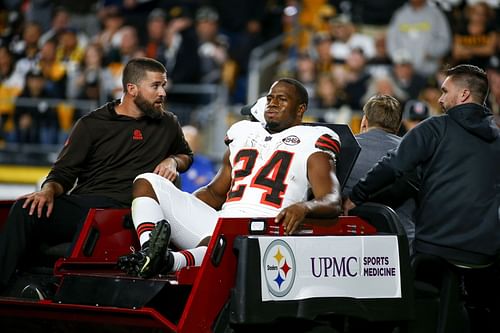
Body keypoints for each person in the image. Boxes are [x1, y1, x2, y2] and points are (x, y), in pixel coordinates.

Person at [0, 57, 193, 294]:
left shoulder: (168, 123)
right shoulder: (92, 124)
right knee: (24, 209)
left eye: (164, 85)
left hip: (128, 210)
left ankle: (56, 289)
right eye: (155, 86)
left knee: (90, 222)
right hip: (89, 202)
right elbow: (63, 172)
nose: (162, 92)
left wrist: (173, 161)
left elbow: (186, 155)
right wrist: (48, 191)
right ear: (131, 89)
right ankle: (8, 287)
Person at [118, 78, 343, 278]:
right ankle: (149, 251)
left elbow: (332, 199)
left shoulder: (313, 140)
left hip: (263, 227)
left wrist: (305, 208)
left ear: (301, 108)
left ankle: (168, 261)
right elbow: (215, 193)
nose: (272, 103)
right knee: (147, 181)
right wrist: (181, 208)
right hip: (224, 218)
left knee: (219, 239)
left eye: (282, 99)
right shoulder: (244, 133)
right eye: (270, 98)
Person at [344, 64, 500, 331]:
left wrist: (355, 198)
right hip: (486, 250)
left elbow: (393, 165)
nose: (439, 99)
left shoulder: (436, 127)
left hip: (436, 245)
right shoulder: (497, 135)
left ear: (463, 95)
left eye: (444, 91)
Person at [343, 94, 415, 249]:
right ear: (397, 126)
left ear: (364, 122)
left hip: (350, 248)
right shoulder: (413, 152)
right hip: (401, 247)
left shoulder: (343, 149)